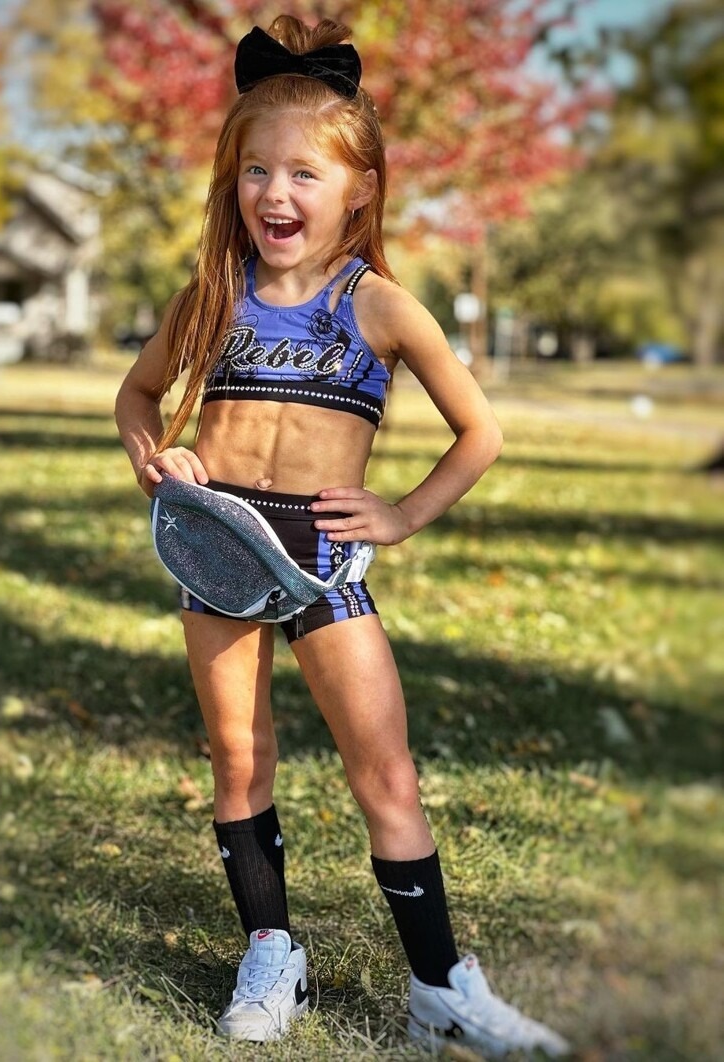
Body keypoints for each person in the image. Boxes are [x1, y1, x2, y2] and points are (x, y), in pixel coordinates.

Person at [115, 15, 570, 1058]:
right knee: (240, 758)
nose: (274, 194)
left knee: (386, 775)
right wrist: (154, 456)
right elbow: (137, 396)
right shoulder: (211, 299)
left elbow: (481, 433)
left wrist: (402, 512)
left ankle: (440, 988)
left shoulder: (383, 308)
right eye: (255, 171)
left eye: (303, 174)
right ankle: (271, 950)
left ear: (359, 188)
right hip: (218, 549)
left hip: (323, 560)